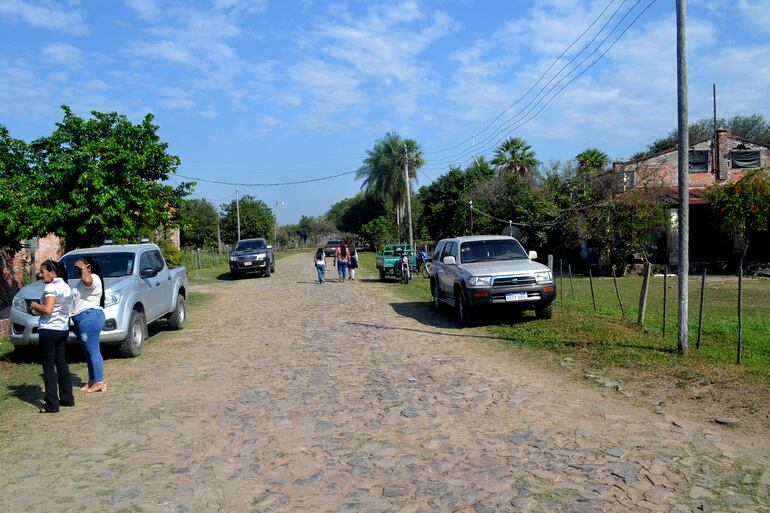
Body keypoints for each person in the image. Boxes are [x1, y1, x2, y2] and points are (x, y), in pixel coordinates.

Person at [29, 260, 73, 413]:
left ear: (53, 272)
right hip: (62, 328)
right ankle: (67, 398)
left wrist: (35, 305)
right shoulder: (66, 286)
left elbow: (48, 309)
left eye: (43, 271)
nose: (40, 275)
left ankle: (51, 404)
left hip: (49, 330)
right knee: (61, 362)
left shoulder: (51, 287)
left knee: (48, 366)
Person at [71, 256, 107, 393]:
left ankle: (99, 381)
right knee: (88, 351)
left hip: (90, 317)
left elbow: (87, 280)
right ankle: (93, 379)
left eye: (79, 268)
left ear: (89, 267)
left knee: (93, 350)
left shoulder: (93, 278)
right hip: (82, 319)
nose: (78, 271)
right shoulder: (80, 282)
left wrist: (83, 268)